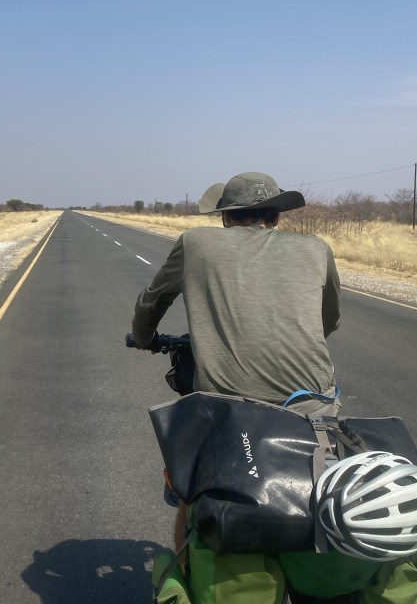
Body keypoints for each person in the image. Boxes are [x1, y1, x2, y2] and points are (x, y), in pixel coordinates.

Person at [131, 171, 341, 552]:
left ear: (225, 217)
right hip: (315, 403)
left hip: (228, 408)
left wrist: (144, 338)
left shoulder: (196, 243)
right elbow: (329, 321)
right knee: (324, 488)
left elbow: (153, 299)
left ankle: (186, 560)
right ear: (276, 216)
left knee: (193, 490)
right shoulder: (316, 248)